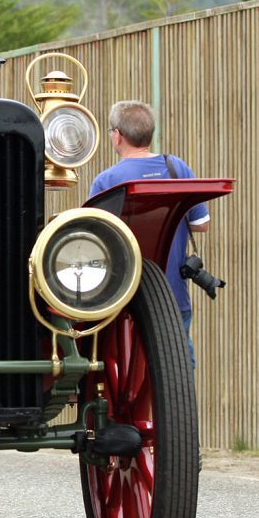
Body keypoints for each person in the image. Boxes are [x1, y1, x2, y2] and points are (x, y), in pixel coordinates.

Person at [89, 101, 211, 362]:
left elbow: (94, 239)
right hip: (172, 294)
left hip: (122, 297)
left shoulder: (106, 181)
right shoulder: (176, 168)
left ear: (118, 136)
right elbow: (201, 223)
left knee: (127, 363)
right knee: (178, 368)